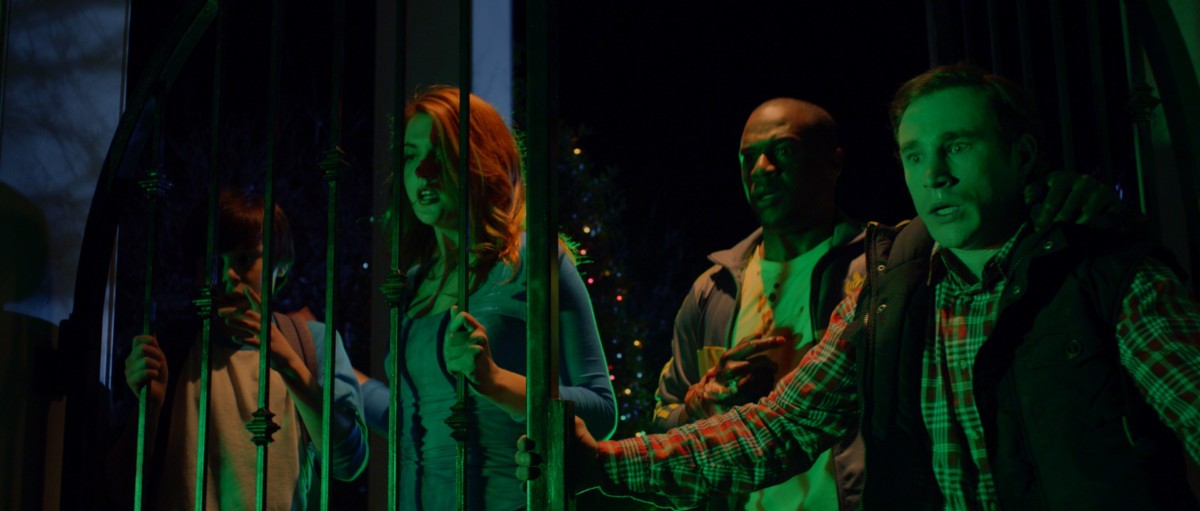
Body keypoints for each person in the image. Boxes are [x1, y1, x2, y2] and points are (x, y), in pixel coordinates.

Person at [530, 64, 1200, 510]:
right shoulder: (892, 288)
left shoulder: (1109, 274)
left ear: (1023, 156)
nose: (934, 174)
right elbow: (779, 426)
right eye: (914, 154)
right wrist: (603, 464)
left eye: (958, 145)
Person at [358, 86, 617, 510]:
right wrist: (325, 366)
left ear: (482, 161)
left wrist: (496, 381)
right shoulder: (411, 285)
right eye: (409, 155)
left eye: (441, 153)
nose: (422, 170)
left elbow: (601, 412)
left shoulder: (538, 261)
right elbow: (414, 420)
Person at [115, 190, 369, 510]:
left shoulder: (310, 342)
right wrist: (149, 408)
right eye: (213, 262)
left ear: (280, 266)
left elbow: (349, 462)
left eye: (246, 259)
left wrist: (289, 363)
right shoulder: (172, 347)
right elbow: (120, 485)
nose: (228, 275)